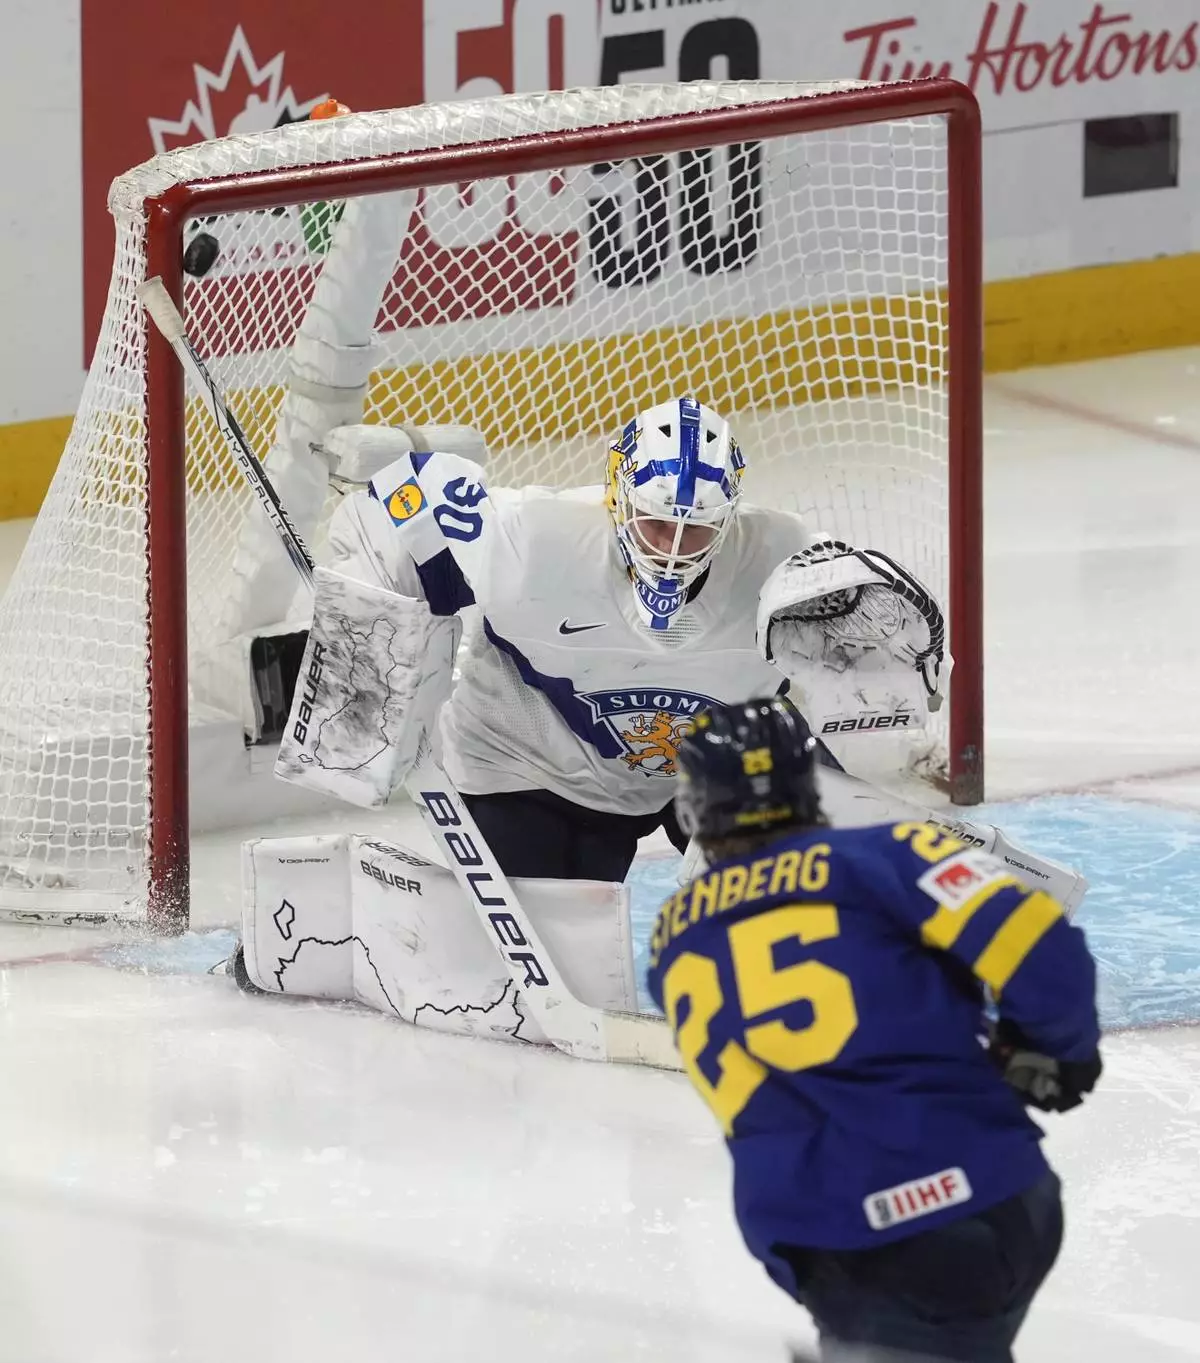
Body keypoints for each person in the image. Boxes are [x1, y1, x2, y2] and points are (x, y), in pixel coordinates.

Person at [289, 393, 1083, 910]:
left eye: (696, 528)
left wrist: (889, 755)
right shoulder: (533, 541)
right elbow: (390, 508)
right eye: (655, 522)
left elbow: (854, 687)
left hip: (699, 767)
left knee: (786, 914)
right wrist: (362, 696)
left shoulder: (784, 559)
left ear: (729, 517)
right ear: (617, 500)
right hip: (530, 769)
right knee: (554, 944)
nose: (673, 548)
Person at [645, 697, 1102, 1363]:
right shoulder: (892, 851)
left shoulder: (675, 936)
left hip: (849, 1242)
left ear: (697, 806)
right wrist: (1057, 1053)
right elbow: (1038, 946)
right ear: (808, 785)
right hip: (996, 1193)